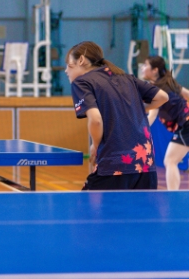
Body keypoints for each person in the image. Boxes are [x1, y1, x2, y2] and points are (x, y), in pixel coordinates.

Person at [64, 41, 168, 190]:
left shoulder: (81, 82)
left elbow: (96, 120)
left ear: (81, 60)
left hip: (114, 165)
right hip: (146, 164)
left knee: (87, 204)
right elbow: (162, 97)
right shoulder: (126, 77)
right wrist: (135, 109)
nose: (66, 70)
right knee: (141, 206)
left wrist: (95, 145)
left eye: (68, 64)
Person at [141, 55, 189, 190]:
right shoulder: (169, 82)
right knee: (171, 160)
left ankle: (173, 196)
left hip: (186, 125)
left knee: (170, 160)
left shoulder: (157, 89)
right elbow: (186, 93)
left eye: (145, 65)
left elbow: (152, 115)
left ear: (155, 70)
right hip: (184, 125)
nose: (143, 68)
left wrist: (138, 130)